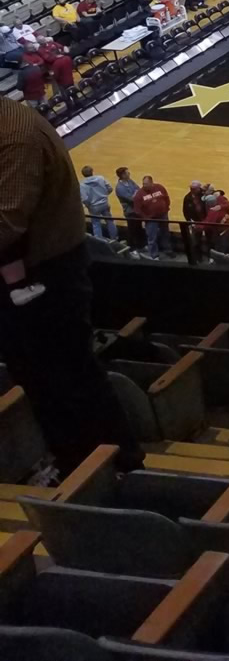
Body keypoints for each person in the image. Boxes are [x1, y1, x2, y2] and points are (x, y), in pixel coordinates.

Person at [0, 101, 144, 482]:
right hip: (31, 274)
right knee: (42, 380)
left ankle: (115, 470)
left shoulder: (15, 138)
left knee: (68, 379)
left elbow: (4, 224)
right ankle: (78, 467)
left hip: (47, 278)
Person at [134, 174, 171, 258]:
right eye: (143, 184)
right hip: (151, 219)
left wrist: (166, 208)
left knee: (166, 233)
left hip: (163, 215)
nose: (144, 186)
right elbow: (137, 210)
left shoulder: (160, 187)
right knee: (151, 238)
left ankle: (168, 250)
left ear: (152, 183)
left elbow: (166, 197)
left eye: (146, 184)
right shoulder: (139, 194)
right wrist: (145, 218)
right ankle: (154, 255)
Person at [78, 165, 116, 243]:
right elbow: (110, 188)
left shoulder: (82, 184)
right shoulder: (100, 178)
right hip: (104, 203)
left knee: (96, 223)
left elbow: (84, 199)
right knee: (110, 221)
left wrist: (88, 205)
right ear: (92, 171)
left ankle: (100, 241)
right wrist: (104, 196)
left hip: (94, 206)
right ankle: (115, 238)